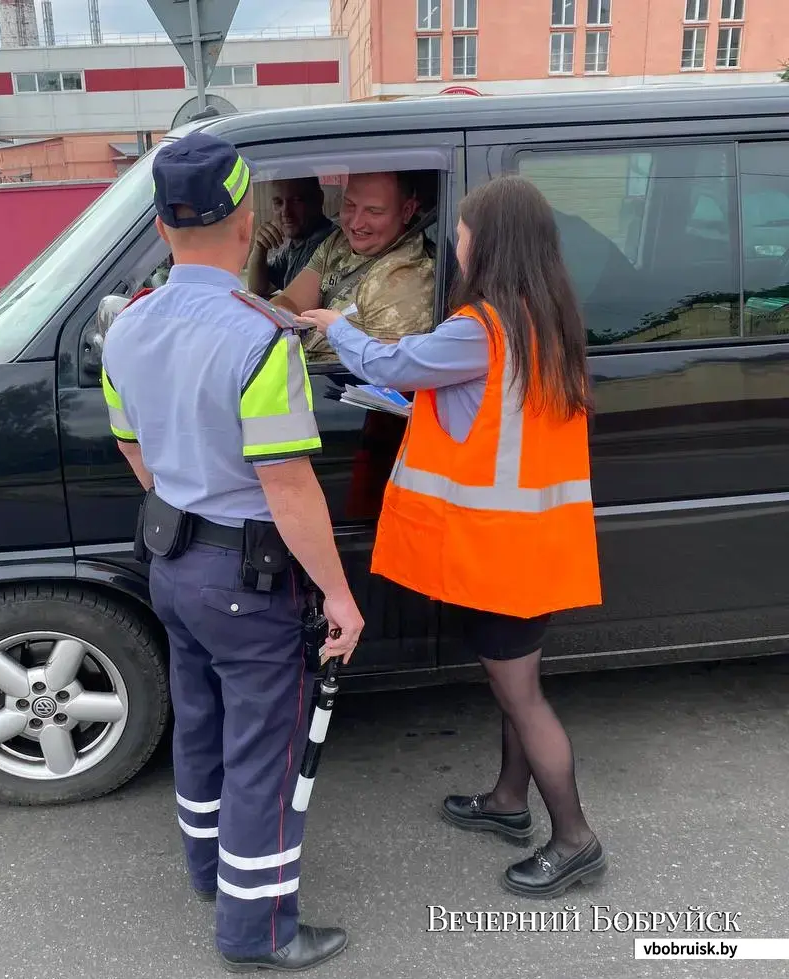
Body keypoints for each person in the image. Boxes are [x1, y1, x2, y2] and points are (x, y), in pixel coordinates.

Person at [295, 174, 607, 899]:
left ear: (487, 243)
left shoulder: (481, 328)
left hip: (499, 553)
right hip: (534, 543)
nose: (455, 241)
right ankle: (506, 802)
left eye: (462, 231)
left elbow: (391, 361)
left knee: (521, 695)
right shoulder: (545, 318)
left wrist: (334, 322)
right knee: (513, 685)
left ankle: (574, 836)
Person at [100, 130, 364, 971]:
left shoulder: (129, 327)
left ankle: (209, 871)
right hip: (247, 577)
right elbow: (287, 485)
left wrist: (182, 483)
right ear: (246, 217)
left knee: (202, 727)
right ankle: (260, 929)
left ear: (161, 221)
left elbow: (133, 449)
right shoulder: (261, 339)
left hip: (173, 560)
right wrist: (340, 595)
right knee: (264, 752)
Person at [271, 170, 436, 363]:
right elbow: (291, 301)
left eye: (373, 211)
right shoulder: (339, 242)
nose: (356, 223)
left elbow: (386, 371)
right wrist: (276, 324)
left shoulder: (405, 277)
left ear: (407, 211)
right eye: (350, 205)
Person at [248, 177, 337, 297]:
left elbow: (294, 306)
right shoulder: (298, 244)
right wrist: (259, 247)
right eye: (279, 202)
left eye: (296, 200)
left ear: (318, 200)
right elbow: (258, 288)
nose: (286, 212)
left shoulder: (325, 244)